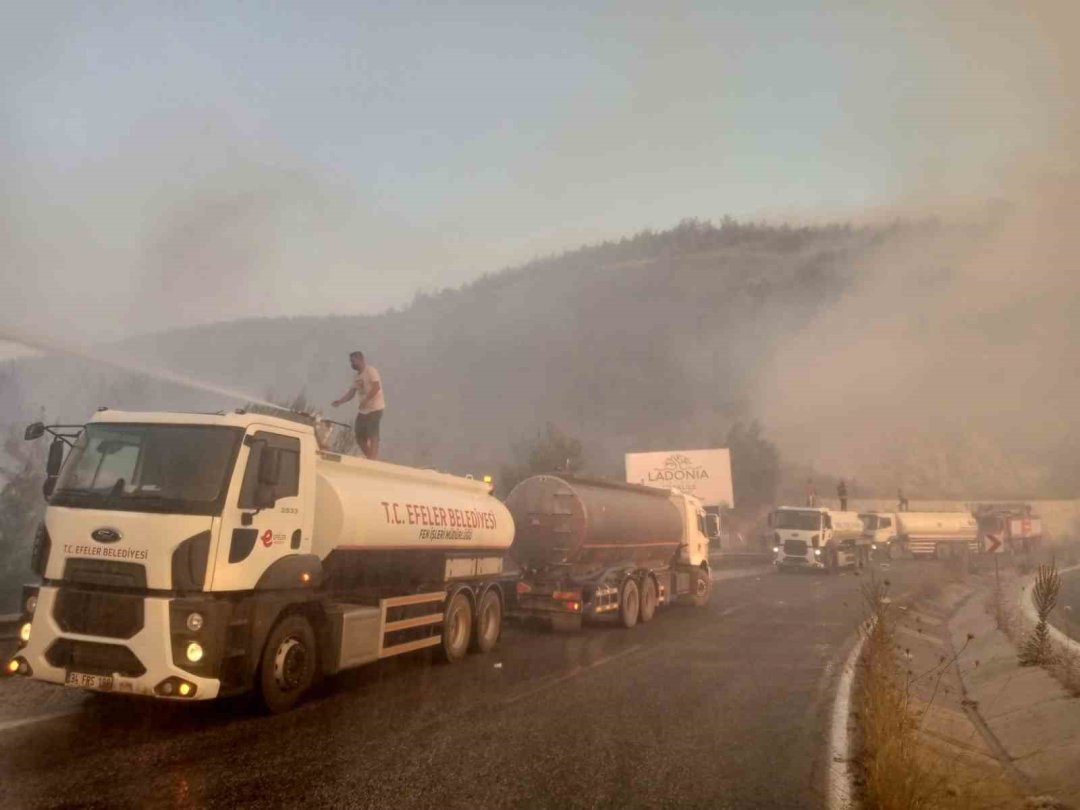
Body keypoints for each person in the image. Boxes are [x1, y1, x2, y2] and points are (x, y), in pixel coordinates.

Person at [331, 351, 385, 459]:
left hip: (376, 408)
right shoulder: (356, 377)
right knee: (359, 436)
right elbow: (351, 393)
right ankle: (370, 456)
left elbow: (376, 387)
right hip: (364, 410)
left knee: (372, 433)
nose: (352, 364)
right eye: (351, 362)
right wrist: (340, 401)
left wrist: (366, 400)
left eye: (353, 361)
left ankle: (373, 458)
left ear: (361, 360)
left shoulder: (370, 371)